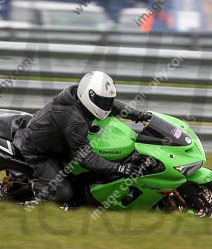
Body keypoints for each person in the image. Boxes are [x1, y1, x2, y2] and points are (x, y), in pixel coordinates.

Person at [17, 71, 151, 206]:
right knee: (63, 194)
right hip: (41, 151)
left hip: (60, 142)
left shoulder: (81, 99)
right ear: (89, 96)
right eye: (103, 101)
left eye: (107, 101)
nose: (106, 105)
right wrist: (120, 169)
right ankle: (33, 192)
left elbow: (112, 106)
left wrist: (139, 115)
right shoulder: (74, 120)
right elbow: (86, 158)